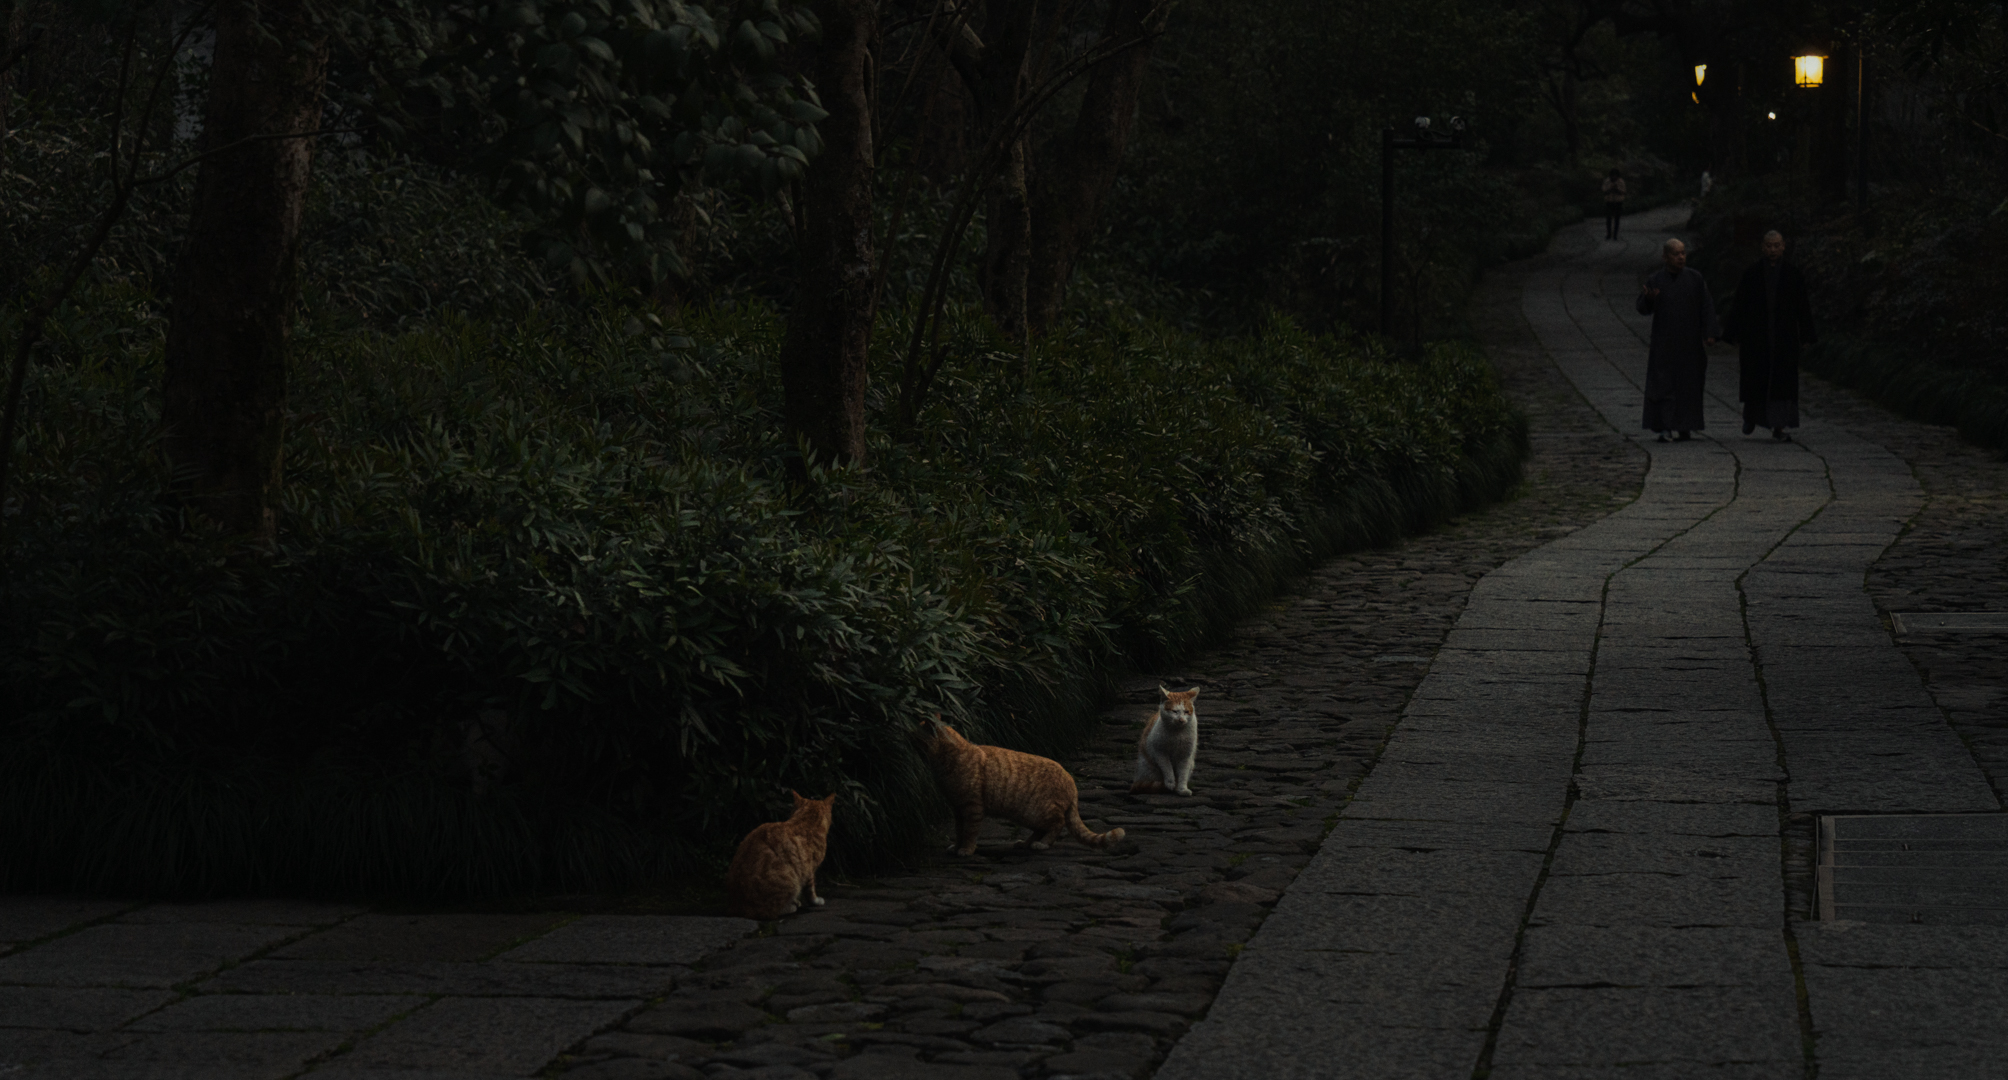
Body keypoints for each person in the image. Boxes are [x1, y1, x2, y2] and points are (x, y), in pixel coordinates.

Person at [1722, 230, 1818, 441]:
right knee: (1756, 379)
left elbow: (1803, 307)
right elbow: (1740, 305)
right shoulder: (1752, 274)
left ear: (1783, 247)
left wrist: (1807, 335)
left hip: (1784, 336)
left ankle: (1779, 427)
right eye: (1769, 246)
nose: (1773, 250)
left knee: (1782, 383)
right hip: (1757, 336)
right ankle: (1751, 416)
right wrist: (1733, 333)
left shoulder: (1792, 274)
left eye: (1776, 246)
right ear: (1762, 247)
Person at [1635, 237, 1721, 442]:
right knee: (1663, 385)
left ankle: (1685, 426)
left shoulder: (1695, 279)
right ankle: (1664, 427)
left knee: (1689, 385)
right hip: (1664, 342)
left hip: (1689, 342)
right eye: (1676, 254)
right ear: (1665, 257)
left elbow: (1706, 306)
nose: (1681, 257)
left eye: (1683, 253)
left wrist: (1709, 332)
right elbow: (1642, 307)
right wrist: (1649, 300)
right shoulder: (1656, 280)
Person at [1602, 168, 1627, 239]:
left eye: (1615, 176)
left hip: (1618, 202)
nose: (1614, 177)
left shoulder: (1621, 181)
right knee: (1608, 219)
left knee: (1617, 219)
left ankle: (1615, 234)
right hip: (1609, 201)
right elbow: (1604, 191)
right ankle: (1609, 234)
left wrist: (1617, 189)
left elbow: (1623, 192)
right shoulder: (1607, 181)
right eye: (1612, 176)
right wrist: (1610, 189)